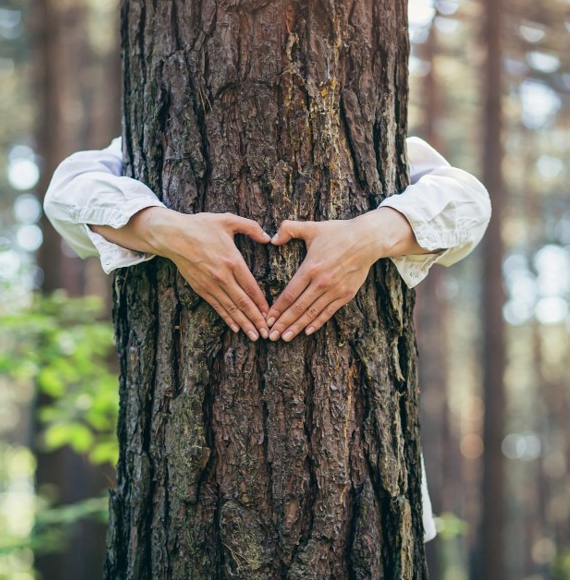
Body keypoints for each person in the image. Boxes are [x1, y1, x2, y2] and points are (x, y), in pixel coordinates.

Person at [43, 135, 492, 543]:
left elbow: (470, 201)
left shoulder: (376, 139)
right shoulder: (145, 144)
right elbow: (66, 192)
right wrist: (164, 229)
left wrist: (368, 236)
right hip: (182, 482)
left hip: (364, 491)